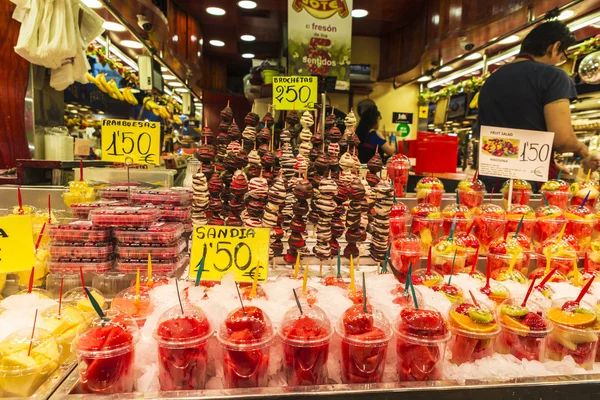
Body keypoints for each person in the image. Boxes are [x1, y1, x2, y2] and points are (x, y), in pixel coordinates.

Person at [477, 20, 588, 190]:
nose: (559, 62)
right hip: (528, 188)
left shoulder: (492, 80)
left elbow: (505, 140)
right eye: (562, 56)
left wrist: (544, 162)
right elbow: (562, 140)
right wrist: (582, 149)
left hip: (489, 182)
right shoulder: (553, 76)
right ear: (554, 46)